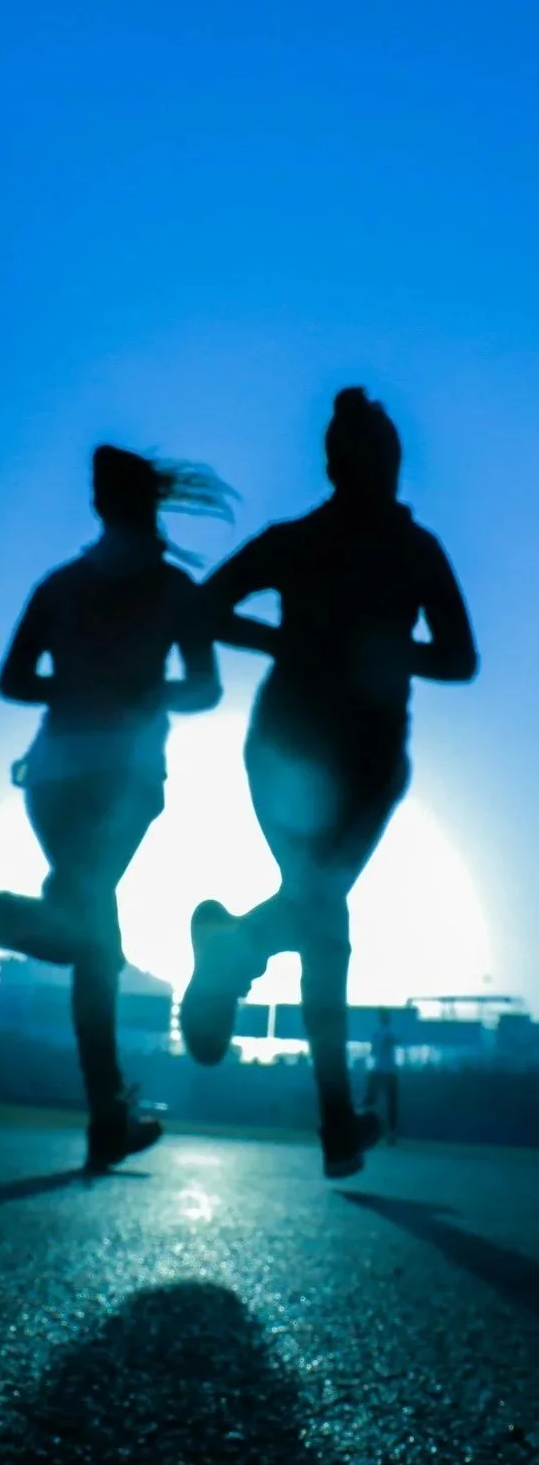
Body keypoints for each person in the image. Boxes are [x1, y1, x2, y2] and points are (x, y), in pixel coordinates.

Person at [0, 446, 231, 1170]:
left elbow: (13, 680)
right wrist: (141, 694)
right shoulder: (175, 591)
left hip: (51, 778)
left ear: (98, 507)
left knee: (94, 938)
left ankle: (107, 1107)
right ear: (150, 505)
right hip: (124, 780)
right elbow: (206, 690)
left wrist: (76, 688)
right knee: (95, 942)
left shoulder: (61, 586)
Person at [179, 387, 478, 1178]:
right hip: (341, 762)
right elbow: (458, 658)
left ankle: (233, 957)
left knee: (320, 915)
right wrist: (366, 649)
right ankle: (332, 1120)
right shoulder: (409, 551)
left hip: (320, 759)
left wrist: (297, 641)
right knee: (323, 917)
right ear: (376, 464)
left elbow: (203, 610)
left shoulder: (306, 541)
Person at [365, 1006, 401, 1143]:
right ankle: (391, 1133)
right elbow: (395, 1042)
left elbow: (373, 1053)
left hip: (378, 1070)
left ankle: (367, 1130)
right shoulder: (391, 1032)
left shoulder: (375, 1034)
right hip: (390, 1071)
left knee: (371, 1101)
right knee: (392, 1103)